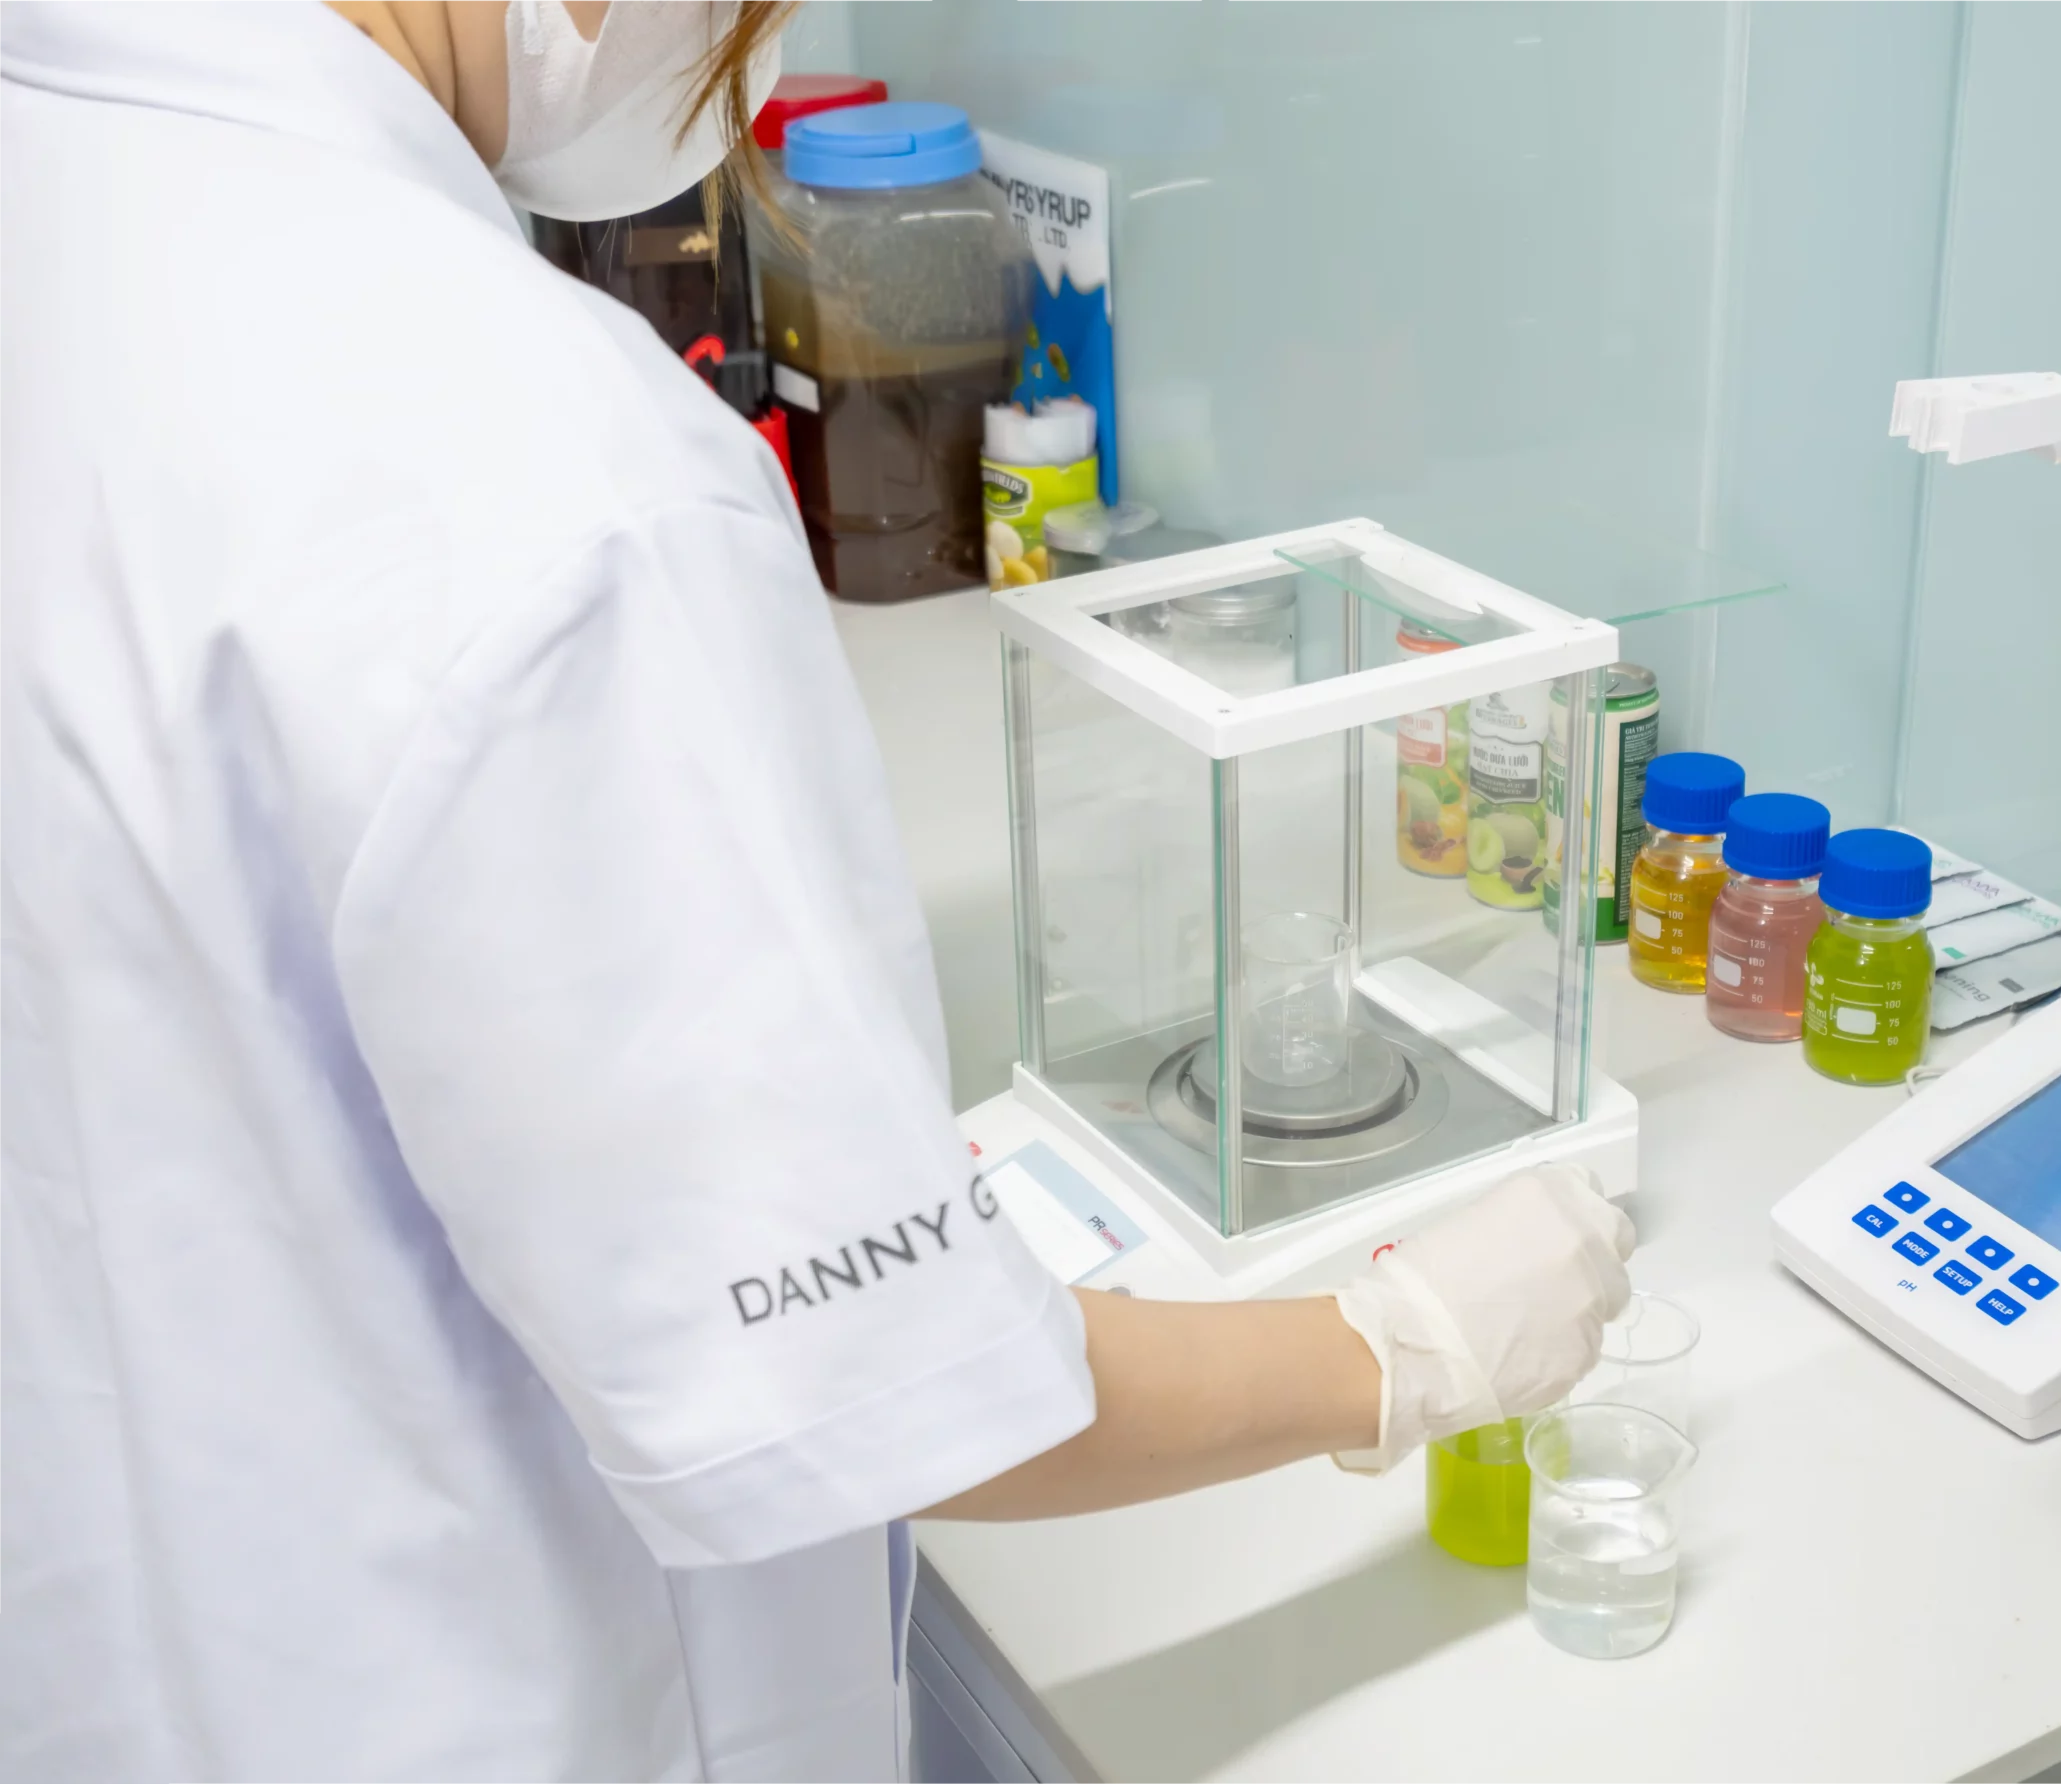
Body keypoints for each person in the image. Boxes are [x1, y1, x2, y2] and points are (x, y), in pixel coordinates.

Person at [0, 3, 1635, 1780]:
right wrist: (1395, 1349)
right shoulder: (534, 467)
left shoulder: (81, 181)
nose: (748, 47)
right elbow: (867, 1381)